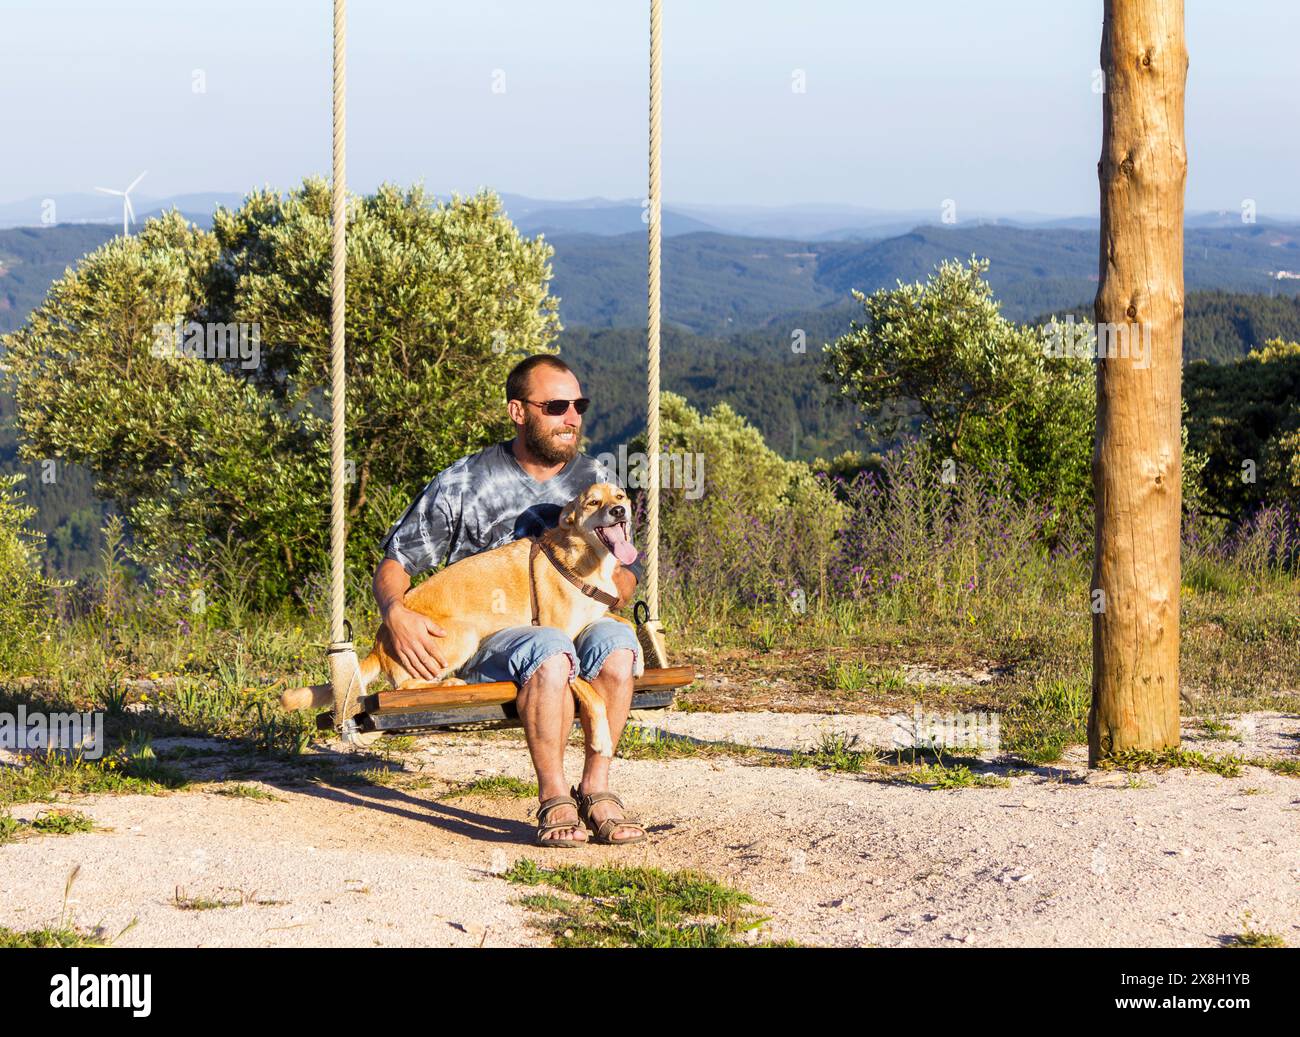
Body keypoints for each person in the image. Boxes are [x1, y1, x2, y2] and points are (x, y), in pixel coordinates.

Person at [374, 354, 647, 845]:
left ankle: (597, 788)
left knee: (619, 642)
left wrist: (620, 585)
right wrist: (396, 613)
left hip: (575, 619)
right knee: (549, 651)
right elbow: (396, 561)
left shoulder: (592, 479)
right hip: (487, 637)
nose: (572, 417)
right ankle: (554, 797)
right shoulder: (465, 482)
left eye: (578, 405)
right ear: (519, 412)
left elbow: (623, 573)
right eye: (557, 405)